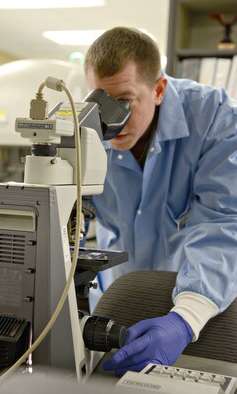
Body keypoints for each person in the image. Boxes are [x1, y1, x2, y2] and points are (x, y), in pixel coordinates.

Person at [84, 26, 237, 376]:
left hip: (196, 306)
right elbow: (70, 218)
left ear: (158, 89)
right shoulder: (87, 128)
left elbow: (226, 222)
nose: (110, 120)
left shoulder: (215, 118)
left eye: (123, 101)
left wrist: (185, 319)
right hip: (116, 301)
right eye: (100, 101)